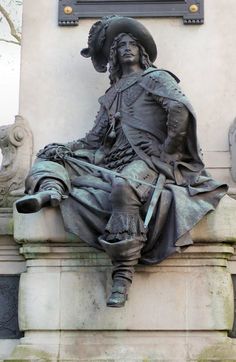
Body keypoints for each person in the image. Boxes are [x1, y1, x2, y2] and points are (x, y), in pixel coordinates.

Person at [16, 15, 227, 308]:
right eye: (120, 46)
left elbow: (179, 108)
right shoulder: (111, 94)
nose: (126, 48)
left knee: (123, 187)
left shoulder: (156, 78)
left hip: (147, 161)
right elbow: (93, 139)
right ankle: (50, 190)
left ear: (142, 52)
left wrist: (169, 152)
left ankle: (123, 274)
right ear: (113, 56)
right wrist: (65, 148)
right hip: (110, 159)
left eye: (132, 44)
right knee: (49, 155)